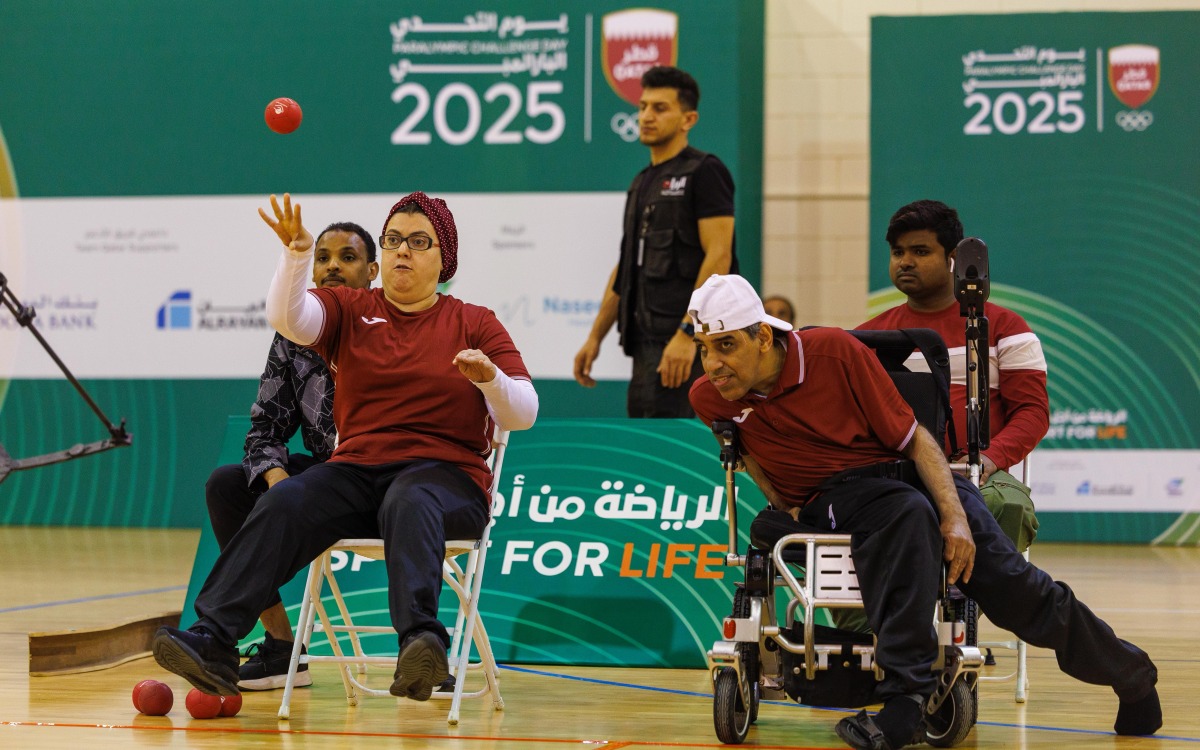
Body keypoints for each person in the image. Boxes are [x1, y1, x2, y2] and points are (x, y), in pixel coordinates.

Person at [686, 273, 1161, 749]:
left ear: (762, 336)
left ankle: (1131, 673)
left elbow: (917, 442)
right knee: (907, 511)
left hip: (910, 479)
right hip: (838, 498)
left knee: (1016, 585)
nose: (713, 364)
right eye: (703, 349)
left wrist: (955, 517)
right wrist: (784, 505)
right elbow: (749, 459)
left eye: (726, 345)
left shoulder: (833, 352)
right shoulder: (710, 396)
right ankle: (905, 705)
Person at [153, 192, 538, 704]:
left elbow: (523, 412)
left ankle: (421, 643)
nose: (403, 250)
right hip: (357, 472)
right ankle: (215, 640)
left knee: (412, 495)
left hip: (447, 481)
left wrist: (490, 380)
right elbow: (290, 319)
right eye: (393, 239)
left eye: (418, 242)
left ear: (444, 258)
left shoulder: (474, 321)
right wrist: (296, 255)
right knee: (287, 498)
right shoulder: (352, 309)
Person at [204, 222, 377, 691]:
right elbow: (265, 427)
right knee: (227, 486)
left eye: (347, 257)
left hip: (381, 483)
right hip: (321, 480)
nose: (333, 266)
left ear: (372, 271)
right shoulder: (294, 334)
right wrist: (277, 480)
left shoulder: (386, 328)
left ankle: (214, 630)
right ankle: (283, 647)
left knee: (309, 490)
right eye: (323, 257)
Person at [859, 199, 1047, 551]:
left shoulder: (1007, 328)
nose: (905, 262)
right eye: (898, 252)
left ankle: (980, 583)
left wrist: (990, 459)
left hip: (978, 476)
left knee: (1009, 506)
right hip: (895, 477)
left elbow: (1032, 412)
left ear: (954, 259)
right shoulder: (868, 337)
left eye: (920, 251)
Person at [574, 65, 737, 417]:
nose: (646, 116)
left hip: (689, 348)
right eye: (643, 107)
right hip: (645, 349)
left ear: (688, 119)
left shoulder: (705, 171)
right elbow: (626, 268)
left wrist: (688, 333)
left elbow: (719, 257)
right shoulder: (641, 182)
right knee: (644, 443)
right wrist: (594, 338)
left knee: (679, 447)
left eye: (660, 108)